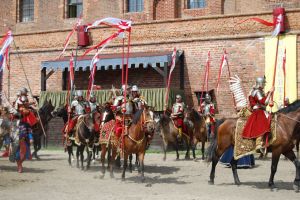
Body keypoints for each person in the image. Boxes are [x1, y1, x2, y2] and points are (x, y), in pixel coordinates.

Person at [242, 76, 275, 151]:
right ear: (260, 83)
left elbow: (262, 100)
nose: (264, 85)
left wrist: (268, 93)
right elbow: (264, 102)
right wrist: (270, 93)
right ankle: (258, 143)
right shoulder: (257, 91)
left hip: (260, 109)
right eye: (263, 83)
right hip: (258, 111)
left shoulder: (257, 91)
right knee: (263, 124)